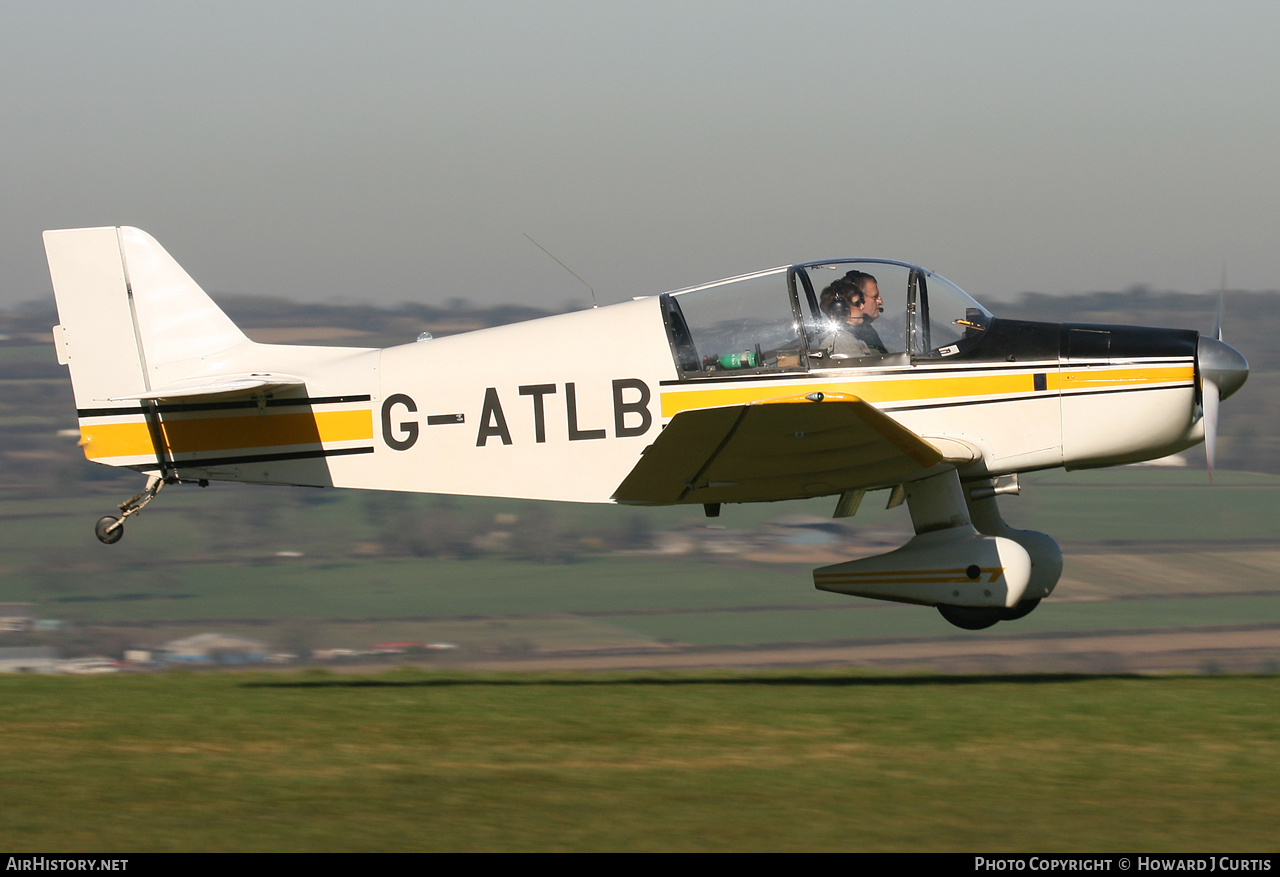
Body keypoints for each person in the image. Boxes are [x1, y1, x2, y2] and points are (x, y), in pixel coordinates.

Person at [816, 271, 887, 360]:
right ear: (841, 309)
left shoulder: (860, 335)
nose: (862, 306)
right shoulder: (843, 342)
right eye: (858, 303)